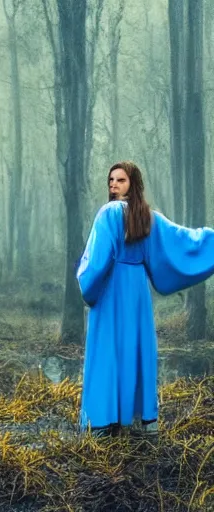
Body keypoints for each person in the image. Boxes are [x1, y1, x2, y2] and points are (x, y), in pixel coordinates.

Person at [76, 161, 214, 437]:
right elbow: (185, 241)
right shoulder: (148, 216)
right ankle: (142, 421)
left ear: (133, 184)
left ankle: (103, 422)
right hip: (137, 290)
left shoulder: (108, 213)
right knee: (135, 349)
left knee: (107, 351)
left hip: (112, 288)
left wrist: (87, 288)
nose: (113, 184)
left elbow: (97, 262)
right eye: (111, 180)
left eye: (121, 180)